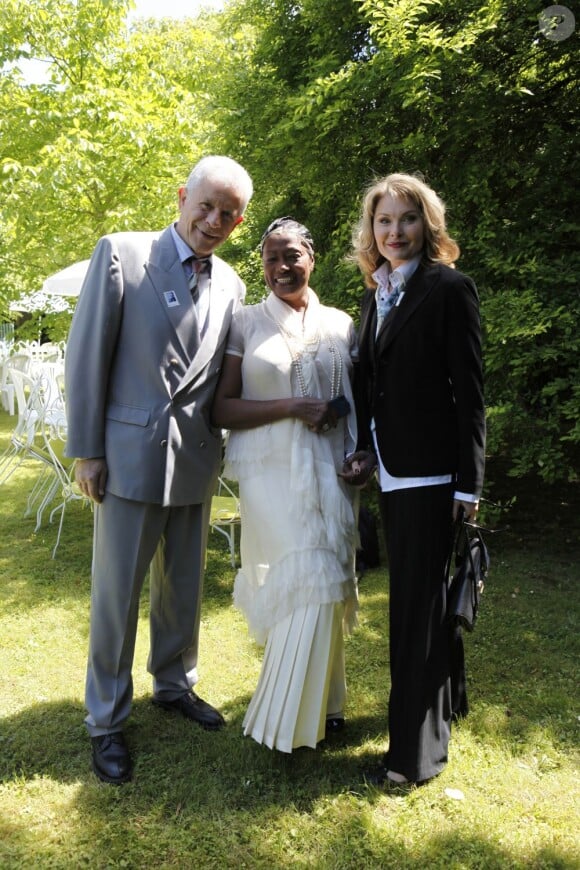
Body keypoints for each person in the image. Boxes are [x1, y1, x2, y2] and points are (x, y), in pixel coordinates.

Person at [64, 155, 253, 784]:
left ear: (240, 219)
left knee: (183, 589)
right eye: (205, 205)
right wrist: (88, 450)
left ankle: (174, 684)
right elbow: (87, 354)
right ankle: (107, 720)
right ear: (181, 197)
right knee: (116, 598)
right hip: (128, 458)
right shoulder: (122, 253)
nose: (214, 220)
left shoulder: (233, 284)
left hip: (195, 460)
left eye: (228, 213)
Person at [343, 173, 485, 786]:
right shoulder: (376, 293)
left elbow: (471, 397)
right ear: (370, 230)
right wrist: (365, 450)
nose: (393, 231)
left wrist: (467, 486)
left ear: (427, 225)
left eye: (405, 219)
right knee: (418, 605)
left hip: (433, 475)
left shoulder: (450, 289)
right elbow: (376, 386)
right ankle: (438, 715)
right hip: (393, 472)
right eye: (383, 221)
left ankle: (413, 758)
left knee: (414, 614)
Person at [211, 217, 359, 753]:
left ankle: (328, 705)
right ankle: (282, 719)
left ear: (311, 257)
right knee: (305, 581)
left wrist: (361, 455)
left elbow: (357, 408)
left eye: (291, 255)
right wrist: (293, 407)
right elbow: (223, 407)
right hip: (270, 475)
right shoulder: (245, 323)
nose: (281, 267)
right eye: (271, 258)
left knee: (328, 580)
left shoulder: (342, 324)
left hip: (332, 474)